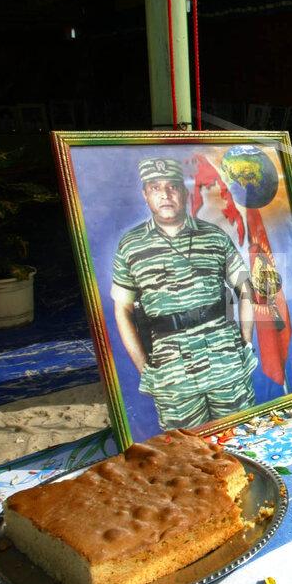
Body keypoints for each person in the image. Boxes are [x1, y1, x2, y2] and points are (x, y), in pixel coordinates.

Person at [111, 158, 257, 430]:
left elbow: (245, 289)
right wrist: (145, 369)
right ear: (145, 194)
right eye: (155, 187)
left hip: (225, 362)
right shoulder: (130, 246)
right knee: (186, 453)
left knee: (243, 437)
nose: (165, 194)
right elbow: (123, 309)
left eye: (172, 187)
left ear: (184, 192)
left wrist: (246, 344)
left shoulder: (213, 236)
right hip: (172, 373)